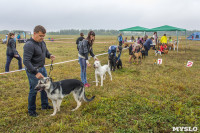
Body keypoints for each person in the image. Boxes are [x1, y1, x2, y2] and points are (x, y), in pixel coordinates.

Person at [23, 25, 56, 117]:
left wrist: (50, 55)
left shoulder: (42, 42)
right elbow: (26, 61)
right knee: (34, 89)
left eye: (43, 36)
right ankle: (31, 110)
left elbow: (45, 52)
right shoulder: (29, 45)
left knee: (45, 87)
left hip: (42, 68)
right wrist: (35, 72)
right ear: (35, 33)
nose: (42, 38)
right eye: (40, 36)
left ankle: (44, 105)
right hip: (33, 70)